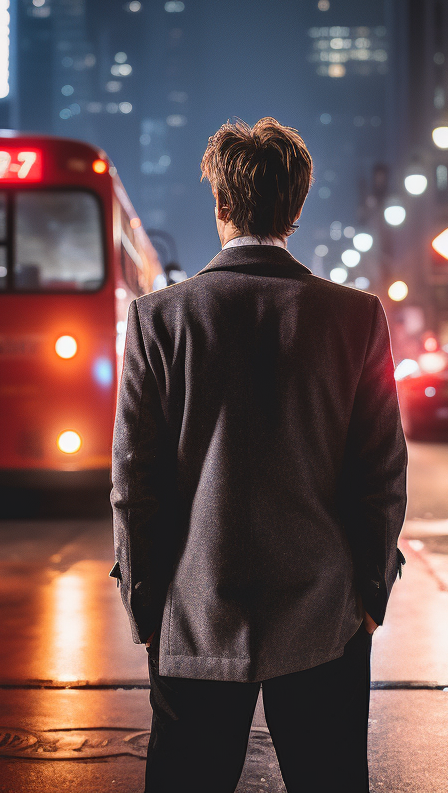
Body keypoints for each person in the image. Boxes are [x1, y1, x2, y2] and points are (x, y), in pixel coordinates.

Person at [110, 117, 408, 793]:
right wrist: (369, 594)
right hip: (325, 610)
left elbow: (134, 482)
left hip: (193, 606)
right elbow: (382, 475)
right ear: (296, 209)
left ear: (218, 203)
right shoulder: (355, 317)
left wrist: (146, 602)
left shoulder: (158, 318)